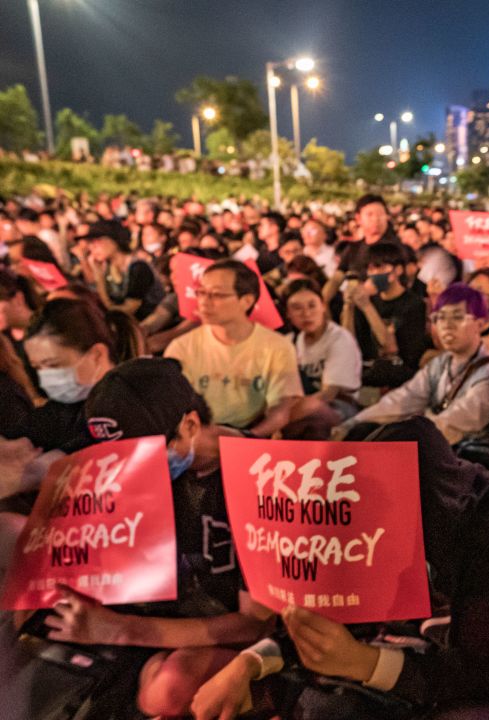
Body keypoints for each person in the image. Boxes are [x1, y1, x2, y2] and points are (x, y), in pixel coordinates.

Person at [191, 417, 489, 720]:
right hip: (423, 644)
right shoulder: (379, 510)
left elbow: (487, 672)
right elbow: (340, 609)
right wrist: (254, 660)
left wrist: (363, 663)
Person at [59, 358, 272, 717]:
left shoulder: (258, 477)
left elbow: (256, 623)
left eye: (142, 455)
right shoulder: (156, 469)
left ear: (189, 425)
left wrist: (123, 631)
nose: (127, 469)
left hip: (231, 636)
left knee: (169, 689)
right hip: (157, 615)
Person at [343, 283, 489, 456]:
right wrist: (351, 424)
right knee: (362, 430)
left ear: (481, 324)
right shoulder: (442, 362)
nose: (447, 325)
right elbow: (403, 400)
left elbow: (451, 424)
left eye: (458, 317)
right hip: (439, 448)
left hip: (475, 461)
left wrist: (391, 438)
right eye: (440, 317)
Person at [163, 259, 303, 437]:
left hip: (252, 435)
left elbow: (282, 407)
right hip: (199, 438)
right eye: (201, 293)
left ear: (246, 301)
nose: (204, 302)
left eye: (217, 295)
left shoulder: (277, 346)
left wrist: (248, 437)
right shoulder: (182, 347)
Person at [21, 299, 125, 454]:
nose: (46, 377)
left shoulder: (139, 400)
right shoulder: (52, 417)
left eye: (54, 365)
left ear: (97, 355)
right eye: (37, 368)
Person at [343, 242, 430, 389]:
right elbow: (348, 340)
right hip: (368, 372)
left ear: (398, 270)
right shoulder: (369, 299)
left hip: (399, 375)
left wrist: (366, 306)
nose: (375, 273)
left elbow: (389, 347)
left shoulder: (413, 304)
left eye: (381, 267)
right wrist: (349, 306)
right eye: (371, 268)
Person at [282, 278, 362, 430]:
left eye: (312, 306)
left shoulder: (339, 339)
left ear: (323, 306)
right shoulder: (289, 342)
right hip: (299, 404)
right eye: (297, 308)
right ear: (288, 313)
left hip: (338, 406)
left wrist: (282, 417)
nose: (306, 314)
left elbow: (328, 394)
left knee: (313, 414)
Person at [83, 220, 161, 321]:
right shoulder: (108, 268)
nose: (92, 248)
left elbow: (128, 310)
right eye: (90, 243)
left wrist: (99, 279)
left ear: (114, 239)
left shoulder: (138, 267)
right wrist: (98, 275)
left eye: (97, 241)